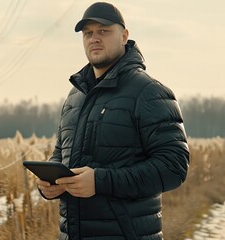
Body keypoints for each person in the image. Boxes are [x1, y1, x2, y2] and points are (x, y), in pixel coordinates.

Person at [36, 2, 190, 240]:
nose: (94, 38)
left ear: (124, 36)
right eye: (88, 33)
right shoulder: (75, 96)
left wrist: (100, 181)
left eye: (103, 31)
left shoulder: (148, 92)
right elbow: (60, 154)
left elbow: (173, 167)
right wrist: (49, 184)